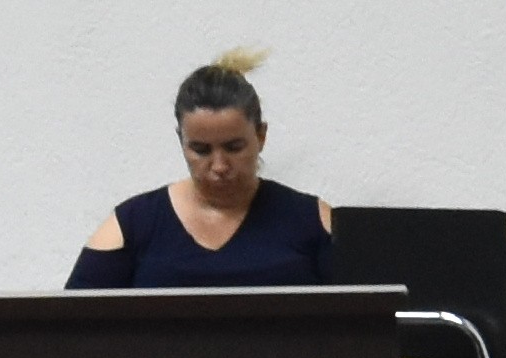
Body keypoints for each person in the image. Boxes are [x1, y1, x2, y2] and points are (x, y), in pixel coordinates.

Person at [71, 55, 341, 287]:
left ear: (261, 136)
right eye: (201, 150)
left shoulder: (313, 220)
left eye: (234, 147)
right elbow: (71, 320)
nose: (219, 166)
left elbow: (360, 315)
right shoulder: (133, 224)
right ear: (181, 141)